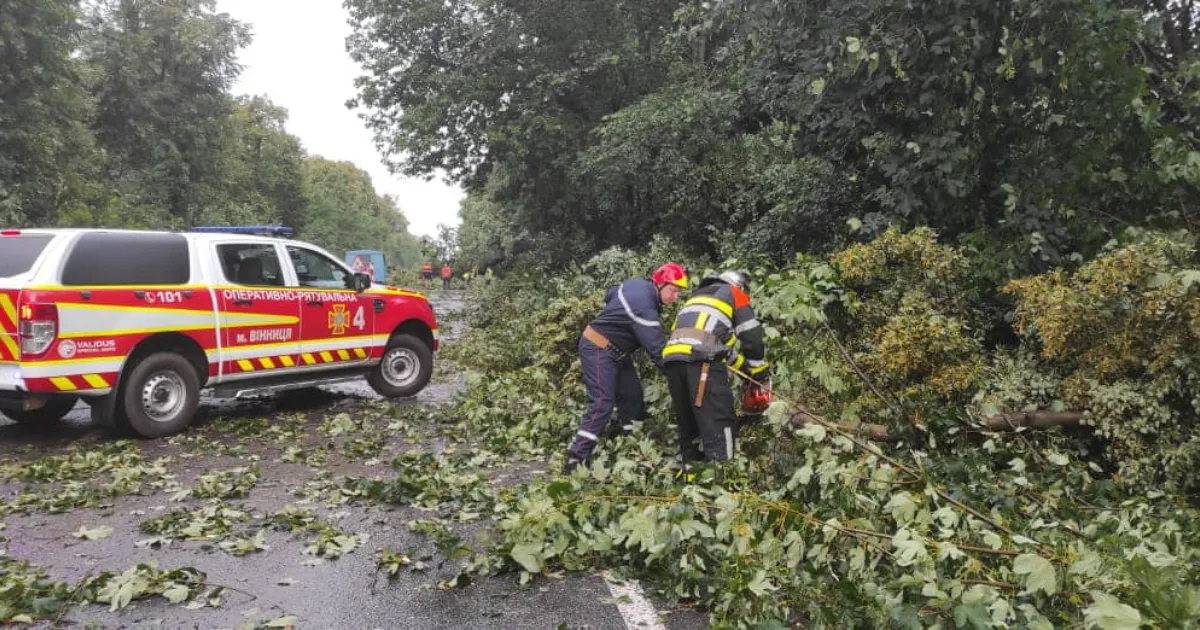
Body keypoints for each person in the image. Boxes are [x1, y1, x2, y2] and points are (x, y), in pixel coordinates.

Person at [563, 262, 689, 473]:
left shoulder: (637, 285)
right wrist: (681, 379)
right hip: (597, 347)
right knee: (602, 402)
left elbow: (610, 294)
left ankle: (632, 447)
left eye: (678, 293)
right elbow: (658, 351)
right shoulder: (643, 305)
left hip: (617, 353)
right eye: (673, 291)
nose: (675, 297)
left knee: (632, 398)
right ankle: (575, 459)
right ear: (659, 284)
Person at [662, 270, 768, 464]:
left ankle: (692, 484)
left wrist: (745, 369)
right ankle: (723, 478)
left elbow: (716, 347)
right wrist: (759, 370)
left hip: (673, 360)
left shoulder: (695, 299)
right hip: (701, 361)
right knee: (720, 424)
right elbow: (751, 336)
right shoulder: (735, 294)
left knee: (690, 429)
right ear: (740, 287)